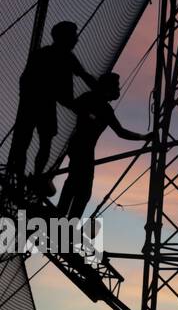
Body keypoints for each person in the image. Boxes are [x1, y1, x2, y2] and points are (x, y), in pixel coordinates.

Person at [5, 20, 96, 183]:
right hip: (36, 104)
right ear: (64, 37)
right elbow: (27, 81)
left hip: (38, 104)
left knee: (38, 142)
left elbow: (83, 76)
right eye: (73, 36)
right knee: (29, 142)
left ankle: (29, 180)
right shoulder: (50, 55)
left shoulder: (63, 57)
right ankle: (23, 180)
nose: (76, 39)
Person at [53, 74, 151, 219]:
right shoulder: (92, 100)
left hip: (82, 148)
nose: (118, 90)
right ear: (108, 88)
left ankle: (62, 217)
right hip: (81, 147)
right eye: (115, 86)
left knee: (76, 183)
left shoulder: (104, 108)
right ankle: (63, 218)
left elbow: (120, 132)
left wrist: (143, 137)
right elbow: (73, 105)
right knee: (81, 188)